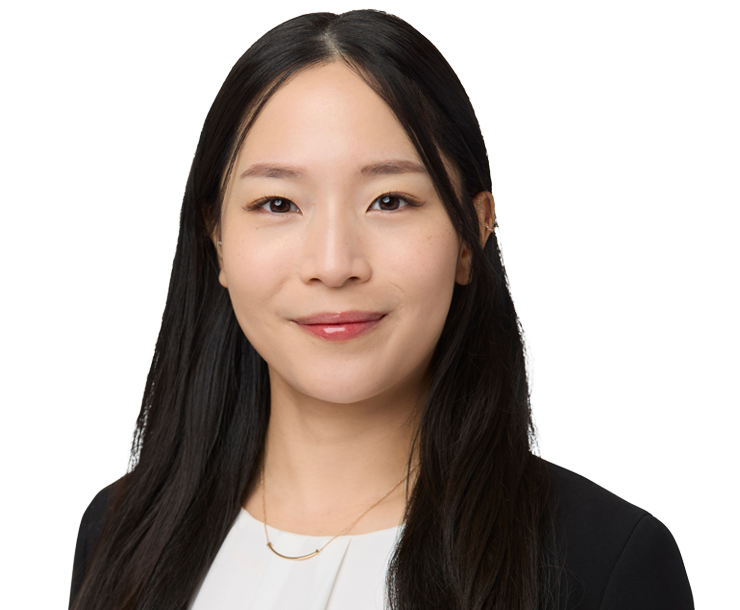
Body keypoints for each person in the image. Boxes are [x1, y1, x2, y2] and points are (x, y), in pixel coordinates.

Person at [68, 10, 694, 610]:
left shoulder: (605, 563)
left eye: (390, 200)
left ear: (472, 234)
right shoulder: (122, 531)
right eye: (279, 204)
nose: (334, 263)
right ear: (217, 241)